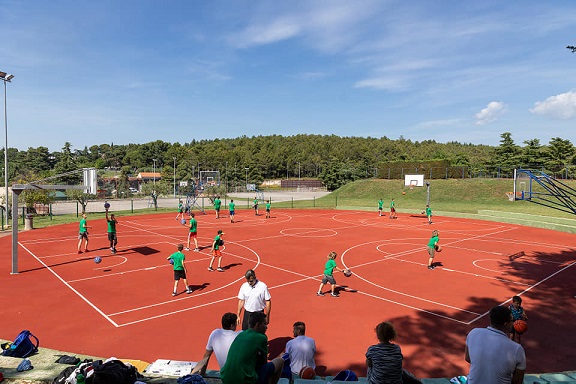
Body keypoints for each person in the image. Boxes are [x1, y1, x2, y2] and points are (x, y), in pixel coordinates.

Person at [465, 305, 526, 384]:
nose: (513, 322)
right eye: (512, 320)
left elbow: (467, 358)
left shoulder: (473, 333)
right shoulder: (517, 349)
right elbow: (517, 382)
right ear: (506, 324)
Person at [220, 311, 284, 384]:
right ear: (257, 325)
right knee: (280, 361)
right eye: (264, 324)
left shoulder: (241, 334)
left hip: (225, 378)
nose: (266, 327)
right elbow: (263, 363)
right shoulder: (261, 338)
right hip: (245, 381)